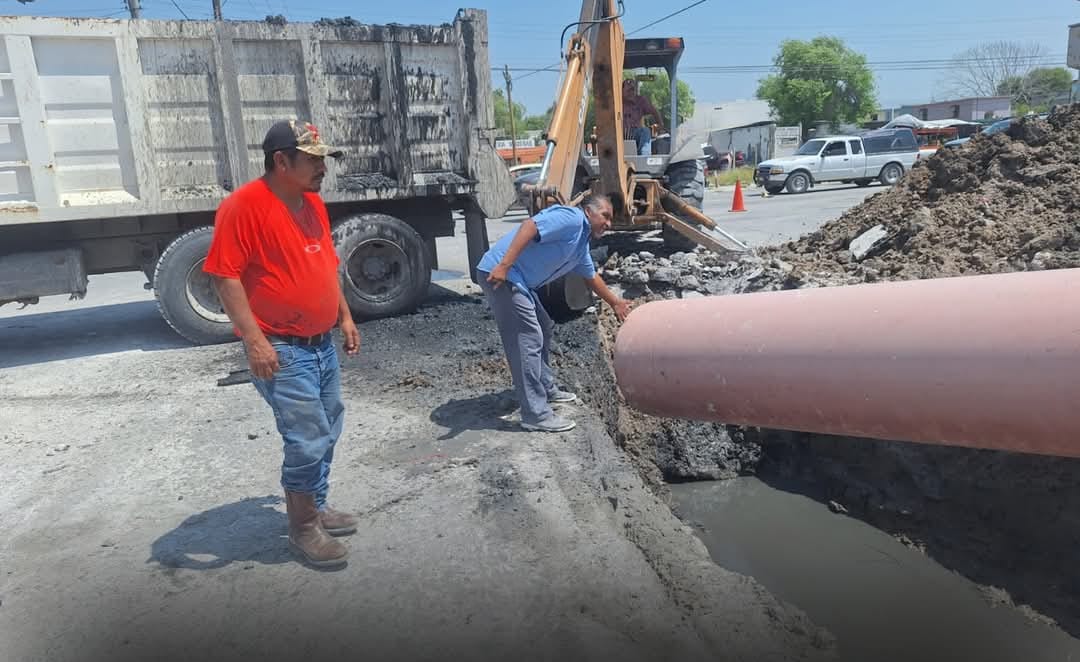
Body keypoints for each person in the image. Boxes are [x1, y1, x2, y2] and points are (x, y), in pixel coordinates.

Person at [203, 119, 361, 569]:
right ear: (281, 161)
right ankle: (303, 526)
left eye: (323, 159)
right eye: (313, 160)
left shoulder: (313, 204)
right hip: (282, 347)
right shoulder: (244, 207)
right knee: (307, 437)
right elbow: (225, 276)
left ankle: (317, 505)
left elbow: (326, 264)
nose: (322, 168)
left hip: (321, 343)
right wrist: (255, 342)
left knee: (328, 426)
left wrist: (344, 316)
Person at [477, 194, 631, 432]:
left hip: (518, 280)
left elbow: (591, 277)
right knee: (528, 337)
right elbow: (530, 226)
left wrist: (615, 303)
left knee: (543, 325)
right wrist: (504, 266)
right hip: (501, 276)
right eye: (605, 216)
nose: (609, 223)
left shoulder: (580, 244)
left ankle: (546, 388)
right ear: (589, 212)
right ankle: (535, 414)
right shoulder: (572, 218)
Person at [622, 79, 663, 156]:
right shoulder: (616, 102)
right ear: (622, 91)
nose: (631, 93)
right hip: (619, 134)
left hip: (635, 133)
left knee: (645, 131)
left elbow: (654, 111)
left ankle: (644, 157)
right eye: (628, 90)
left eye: (633, 90)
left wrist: (660, 124)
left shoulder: (640, 101)